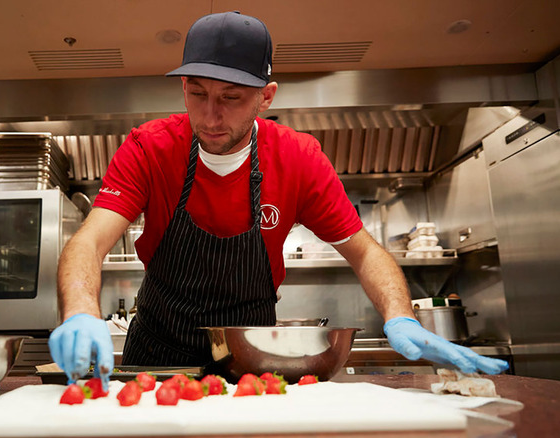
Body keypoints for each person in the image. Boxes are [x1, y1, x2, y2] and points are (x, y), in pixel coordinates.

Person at [49, 11, 509, 387]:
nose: (211, 115)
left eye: (231, 97)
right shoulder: (150, 147)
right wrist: (82, 311)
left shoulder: (298, 157)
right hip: (158, 350)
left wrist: (402, 317)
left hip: (252, 351)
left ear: (265, 97)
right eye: (197, 93)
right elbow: (87, 243)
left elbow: (365, 252)